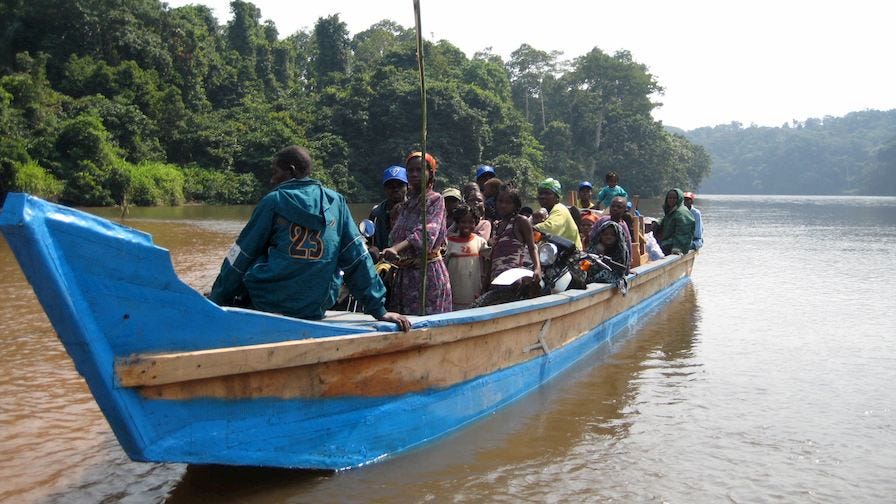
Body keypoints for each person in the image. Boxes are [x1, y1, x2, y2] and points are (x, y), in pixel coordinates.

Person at [209, 145, 410, 331]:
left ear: (292, 170)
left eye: (276, 172)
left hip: (269, 302)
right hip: (315, 306)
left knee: (252, 259)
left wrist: (217, 298)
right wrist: (379, 310)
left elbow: (241, 256)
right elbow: (357, 258)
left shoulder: (274, 201)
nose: (272, 180)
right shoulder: (336, 203)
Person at [383, 151, 452, 315]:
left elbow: (426, 234)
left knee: (427, 325)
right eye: (410, 170)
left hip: (427, 276)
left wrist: (396, 249)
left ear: (430, 173)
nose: (414, 174)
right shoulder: (406, 204)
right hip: (403, 277)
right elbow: (395, 236)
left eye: (420, 170)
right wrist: (392, 267)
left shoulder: (436, 200)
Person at [488, 184, 542, 284]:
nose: (503, 205)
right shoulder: (496, 226)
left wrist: (537, 268)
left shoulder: (520, 221)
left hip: (516, 278)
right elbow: (491, 258)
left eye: (508, 202)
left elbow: (532, 247)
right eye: (500, 201)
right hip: (496, 279)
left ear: (515, 205)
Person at [445, 204, 490, 310]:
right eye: (463, 222)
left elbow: (490, 258)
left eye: (471, 222)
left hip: (473, 289)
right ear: (457, 222)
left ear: (476, 223)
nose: (467, 225)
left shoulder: (479, 241)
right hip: (454, 290)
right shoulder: (448, 242)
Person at [368, 166, 408, 260]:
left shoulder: (416, 211)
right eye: (390, 186)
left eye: (400, 185)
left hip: (408, 262)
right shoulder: (376, 213)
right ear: (385, 188)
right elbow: (368, 240)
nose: (395, 189)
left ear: (407, 186)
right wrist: (372, 248)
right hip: (382, 263)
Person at [533, 178, 583, 250]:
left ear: (557, 197)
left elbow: (549, 228)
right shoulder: (546, 212)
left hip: (573, 256)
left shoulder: (559, 209)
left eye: (547, 193)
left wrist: (526, 229)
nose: (542, 196)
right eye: (540, 193)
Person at [653, 188, 696, 255]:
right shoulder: (671, 210)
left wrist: (677, 248)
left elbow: (683, 234)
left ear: (679, 199)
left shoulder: (682, 213)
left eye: (674, 198)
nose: (671, 200)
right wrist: (657, 223)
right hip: (668, 242)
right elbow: (665, 219)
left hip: (677, 245)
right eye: (669, 198)